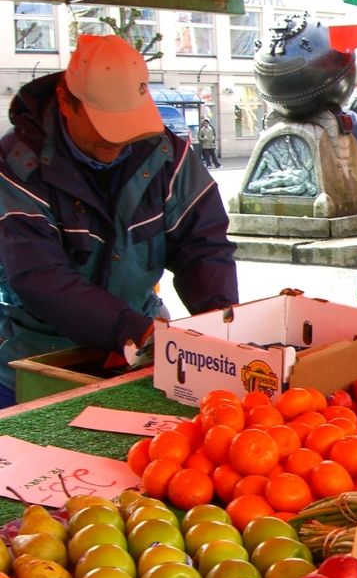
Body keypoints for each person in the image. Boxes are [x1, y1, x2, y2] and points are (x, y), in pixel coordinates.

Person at [0, 34, 238, 408]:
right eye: (103, 124)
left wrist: (223, 322)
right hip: (40, 355)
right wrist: (131, 330)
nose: (118, 141)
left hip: (142, 347)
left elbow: (203, 246)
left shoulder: (166, 155)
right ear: (66, 100)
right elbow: (39, 275)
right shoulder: (17, 165)